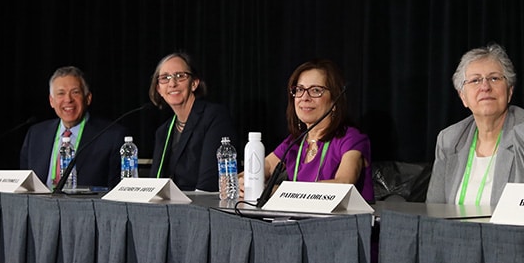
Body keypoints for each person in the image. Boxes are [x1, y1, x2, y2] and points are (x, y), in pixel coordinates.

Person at [426, 43, 524, 207]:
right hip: (458, 233)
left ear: (510, 91)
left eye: (494, 78)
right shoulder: (449, 140)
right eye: (475, 80)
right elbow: (435, 210)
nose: (485, 87)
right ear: (462, 96)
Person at [240, 59, 374, 202]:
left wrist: (277, 191)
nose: (304, 97)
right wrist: (242, 181)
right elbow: (264, 166)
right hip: (298, 221)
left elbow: (343, 184)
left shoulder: (351, 138)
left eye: (315, 90)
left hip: (344, 222)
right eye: (299, 90)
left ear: (335, 101)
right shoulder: (295, 142)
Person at [20, 66, 126, 189]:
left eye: (75, 92)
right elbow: (25, 186)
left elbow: (116, 191)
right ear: (51, 101)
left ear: (88, 98)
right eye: (61, 93)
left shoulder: (111, 136)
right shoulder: (36, 134)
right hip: (39, 206)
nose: (68, 99)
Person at [148, 52, 235, 192]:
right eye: (165, 78)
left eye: (180, 76)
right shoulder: (163, 131)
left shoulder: (214, 116)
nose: (172, 83)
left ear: (194, 83)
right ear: (159, 89)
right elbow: (155, 184)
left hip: (203, 207)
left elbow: (209, 183)